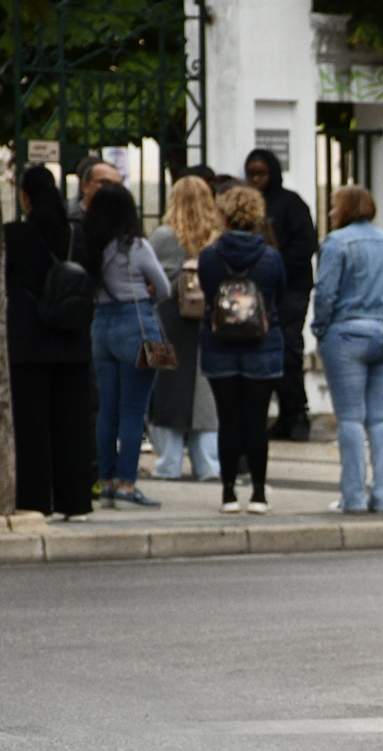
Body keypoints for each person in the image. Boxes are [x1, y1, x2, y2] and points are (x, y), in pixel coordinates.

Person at [313, 185, 383, 514]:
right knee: (380, 418)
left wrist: (321, 327)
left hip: (348, 333)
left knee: (351, 419)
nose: (330, 213)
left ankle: (353, 497)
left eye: (333, 206)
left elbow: (325, 292)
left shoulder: (336, 242)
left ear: (344, 208)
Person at [5, 165, 94, 520]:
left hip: (29, 341)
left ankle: (35, 499)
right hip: (73, 340)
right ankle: (75, 500)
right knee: (73, 425)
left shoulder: (14, 236)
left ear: (25, 197)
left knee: (33, 427)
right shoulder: (76, 235)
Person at [197, 186, 286, 515]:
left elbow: (207, 295)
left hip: (219, 346)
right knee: (256, 421)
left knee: (228, 420)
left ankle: (228, 493)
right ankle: (259, 494)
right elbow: (279, 294)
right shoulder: (270, 257)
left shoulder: (210, 256)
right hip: (263, 346)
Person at [84, 183, 170, 508]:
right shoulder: (135, 246)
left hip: (101, 326)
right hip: (136, 326)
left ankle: (104, 480)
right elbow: (164, 288)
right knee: (134, 411)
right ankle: (125, 484)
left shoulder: (91, 248)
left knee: (107, 409)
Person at [147, 175, 222, 482]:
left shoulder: (163, 236)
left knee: (162, 386)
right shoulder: (217, 236)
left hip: (165, 320)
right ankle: (208, 464)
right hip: (209, 321)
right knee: (206, 392)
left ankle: (168, 462)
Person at [244, 148, 318, 442]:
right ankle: (284, 414)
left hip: (291, 289)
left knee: (288, 350)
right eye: (251, 174)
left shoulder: (291, 204)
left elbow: (305, 246)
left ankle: (296, 413)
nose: (256, 180)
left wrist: (277, 264)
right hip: (261, 290)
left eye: (261, 173)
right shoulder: (249, 205)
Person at [67, 157, 120, 222]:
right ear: (85, 185)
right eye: (105, 182)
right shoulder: (67, 218)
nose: (112, 188)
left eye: (117, 185)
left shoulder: (122, 218)